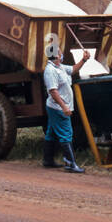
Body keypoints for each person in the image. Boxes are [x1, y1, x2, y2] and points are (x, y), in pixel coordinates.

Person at [42, 38, 86, 174]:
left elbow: (73, 69)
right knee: (66, 134)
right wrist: (64, 107)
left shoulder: (60, 67)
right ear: (55, 55)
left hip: (56, 107)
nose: (62, 54)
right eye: (60, 52)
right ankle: (70, 164)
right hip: (58, 108)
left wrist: (84, 60)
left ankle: (48, 160)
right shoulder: (50, 71)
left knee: (51, 132)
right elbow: (53, 91)